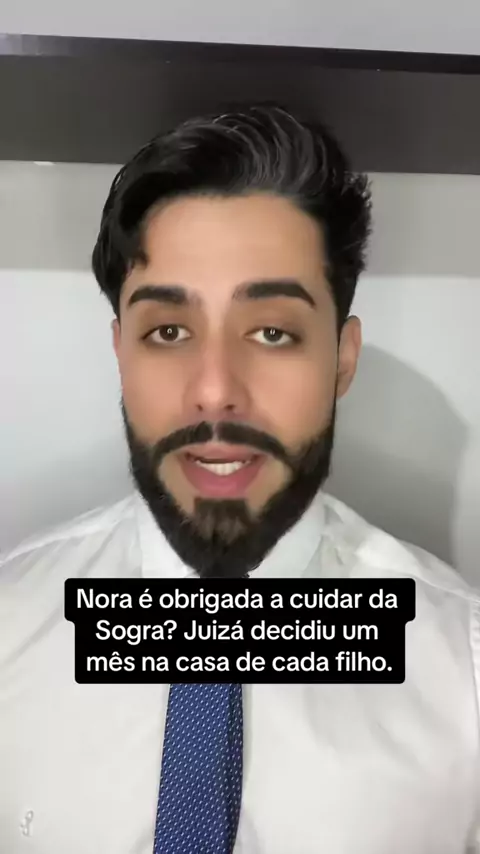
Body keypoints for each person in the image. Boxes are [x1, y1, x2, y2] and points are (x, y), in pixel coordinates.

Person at [1, 104, 480, 854]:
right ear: (121, 354)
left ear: (342, 358)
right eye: (168, 331)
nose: (215, 391)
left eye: (272, 331)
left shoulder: (465, 670)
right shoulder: (10, 624)